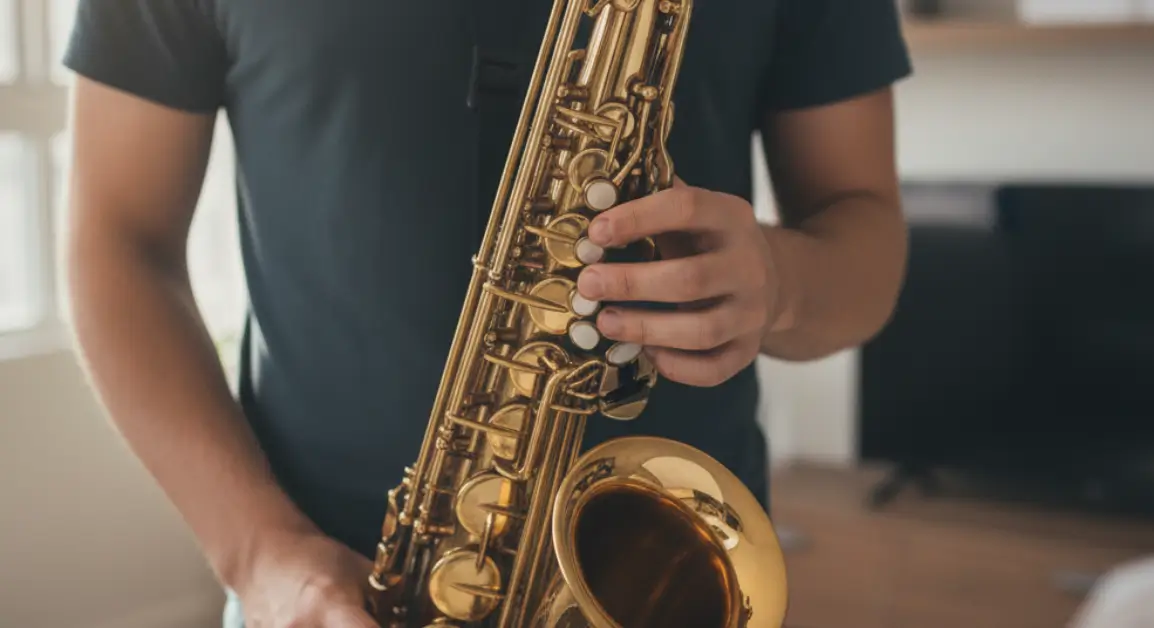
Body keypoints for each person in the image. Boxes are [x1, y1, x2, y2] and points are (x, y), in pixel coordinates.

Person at [61, 0, 912, 626]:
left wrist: (779, 282)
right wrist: (259, 555)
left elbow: (866, 236)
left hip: (669, 581)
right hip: (325, 592)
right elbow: (117, 243)